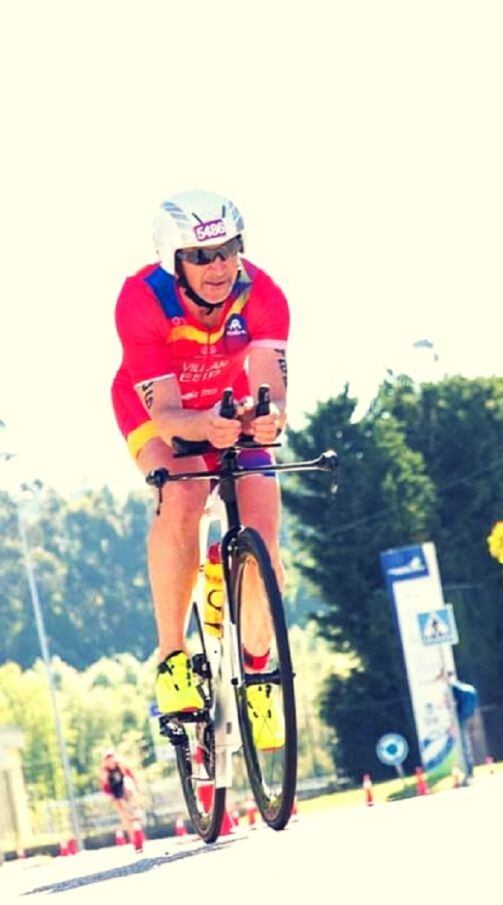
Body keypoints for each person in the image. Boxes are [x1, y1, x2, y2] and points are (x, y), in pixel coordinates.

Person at [111, 191, 289, 750]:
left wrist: (267, 421)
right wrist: (200, 426)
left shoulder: (263, 294)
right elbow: (164, 413)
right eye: (201, 255)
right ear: (175, 262)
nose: (218, 266)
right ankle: (172, 657)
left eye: (228, 250)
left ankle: (259, 671)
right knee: (182, 496)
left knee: (264, 530)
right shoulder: (141, 300)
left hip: (227, 405)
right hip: (158, 411)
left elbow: (271, 390)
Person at [99, 750, 145, 852]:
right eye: (108, 759)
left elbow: (132, 779)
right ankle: (135, 839)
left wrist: (136, 791)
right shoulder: (104, 771)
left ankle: (138, 837)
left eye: (111, 758)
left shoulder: (122, 767)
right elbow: (105, 787)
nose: (110, 761)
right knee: (126, 819)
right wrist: (110, 796)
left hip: (127, 794)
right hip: (116, 797)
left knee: (133, 816)